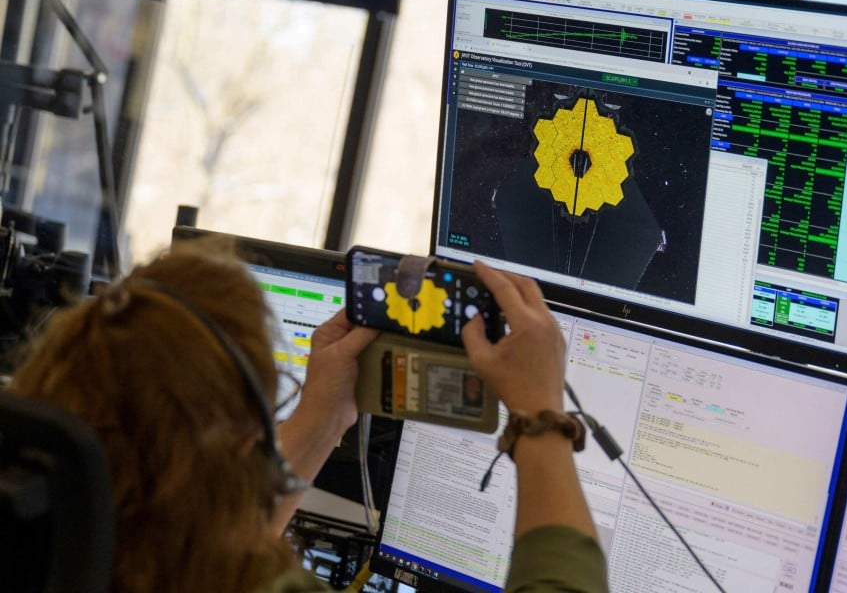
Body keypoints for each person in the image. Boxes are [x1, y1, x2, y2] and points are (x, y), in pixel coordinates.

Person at [7, 240, 608, 592]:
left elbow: (199, 541)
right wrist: (539, 414)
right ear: (238, 456)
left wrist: (323, 418)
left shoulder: (51, 535)